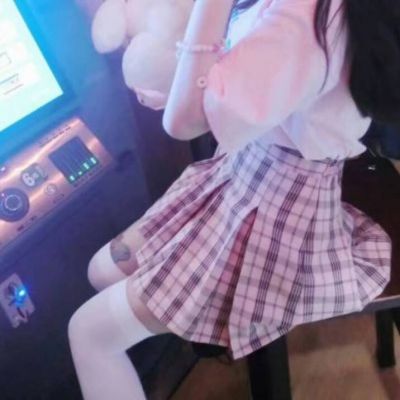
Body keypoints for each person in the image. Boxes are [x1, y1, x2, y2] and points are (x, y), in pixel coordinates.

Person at [68, 0, 397, 398]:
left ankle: (196, 318)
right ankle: (188, 321)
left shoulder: (305, 15)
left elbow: (183, 122)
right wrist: (182, 88)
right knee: (101, 272)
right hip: (244, 170)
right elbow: (249, 76)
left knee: (88, 334)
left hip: (280, 213)